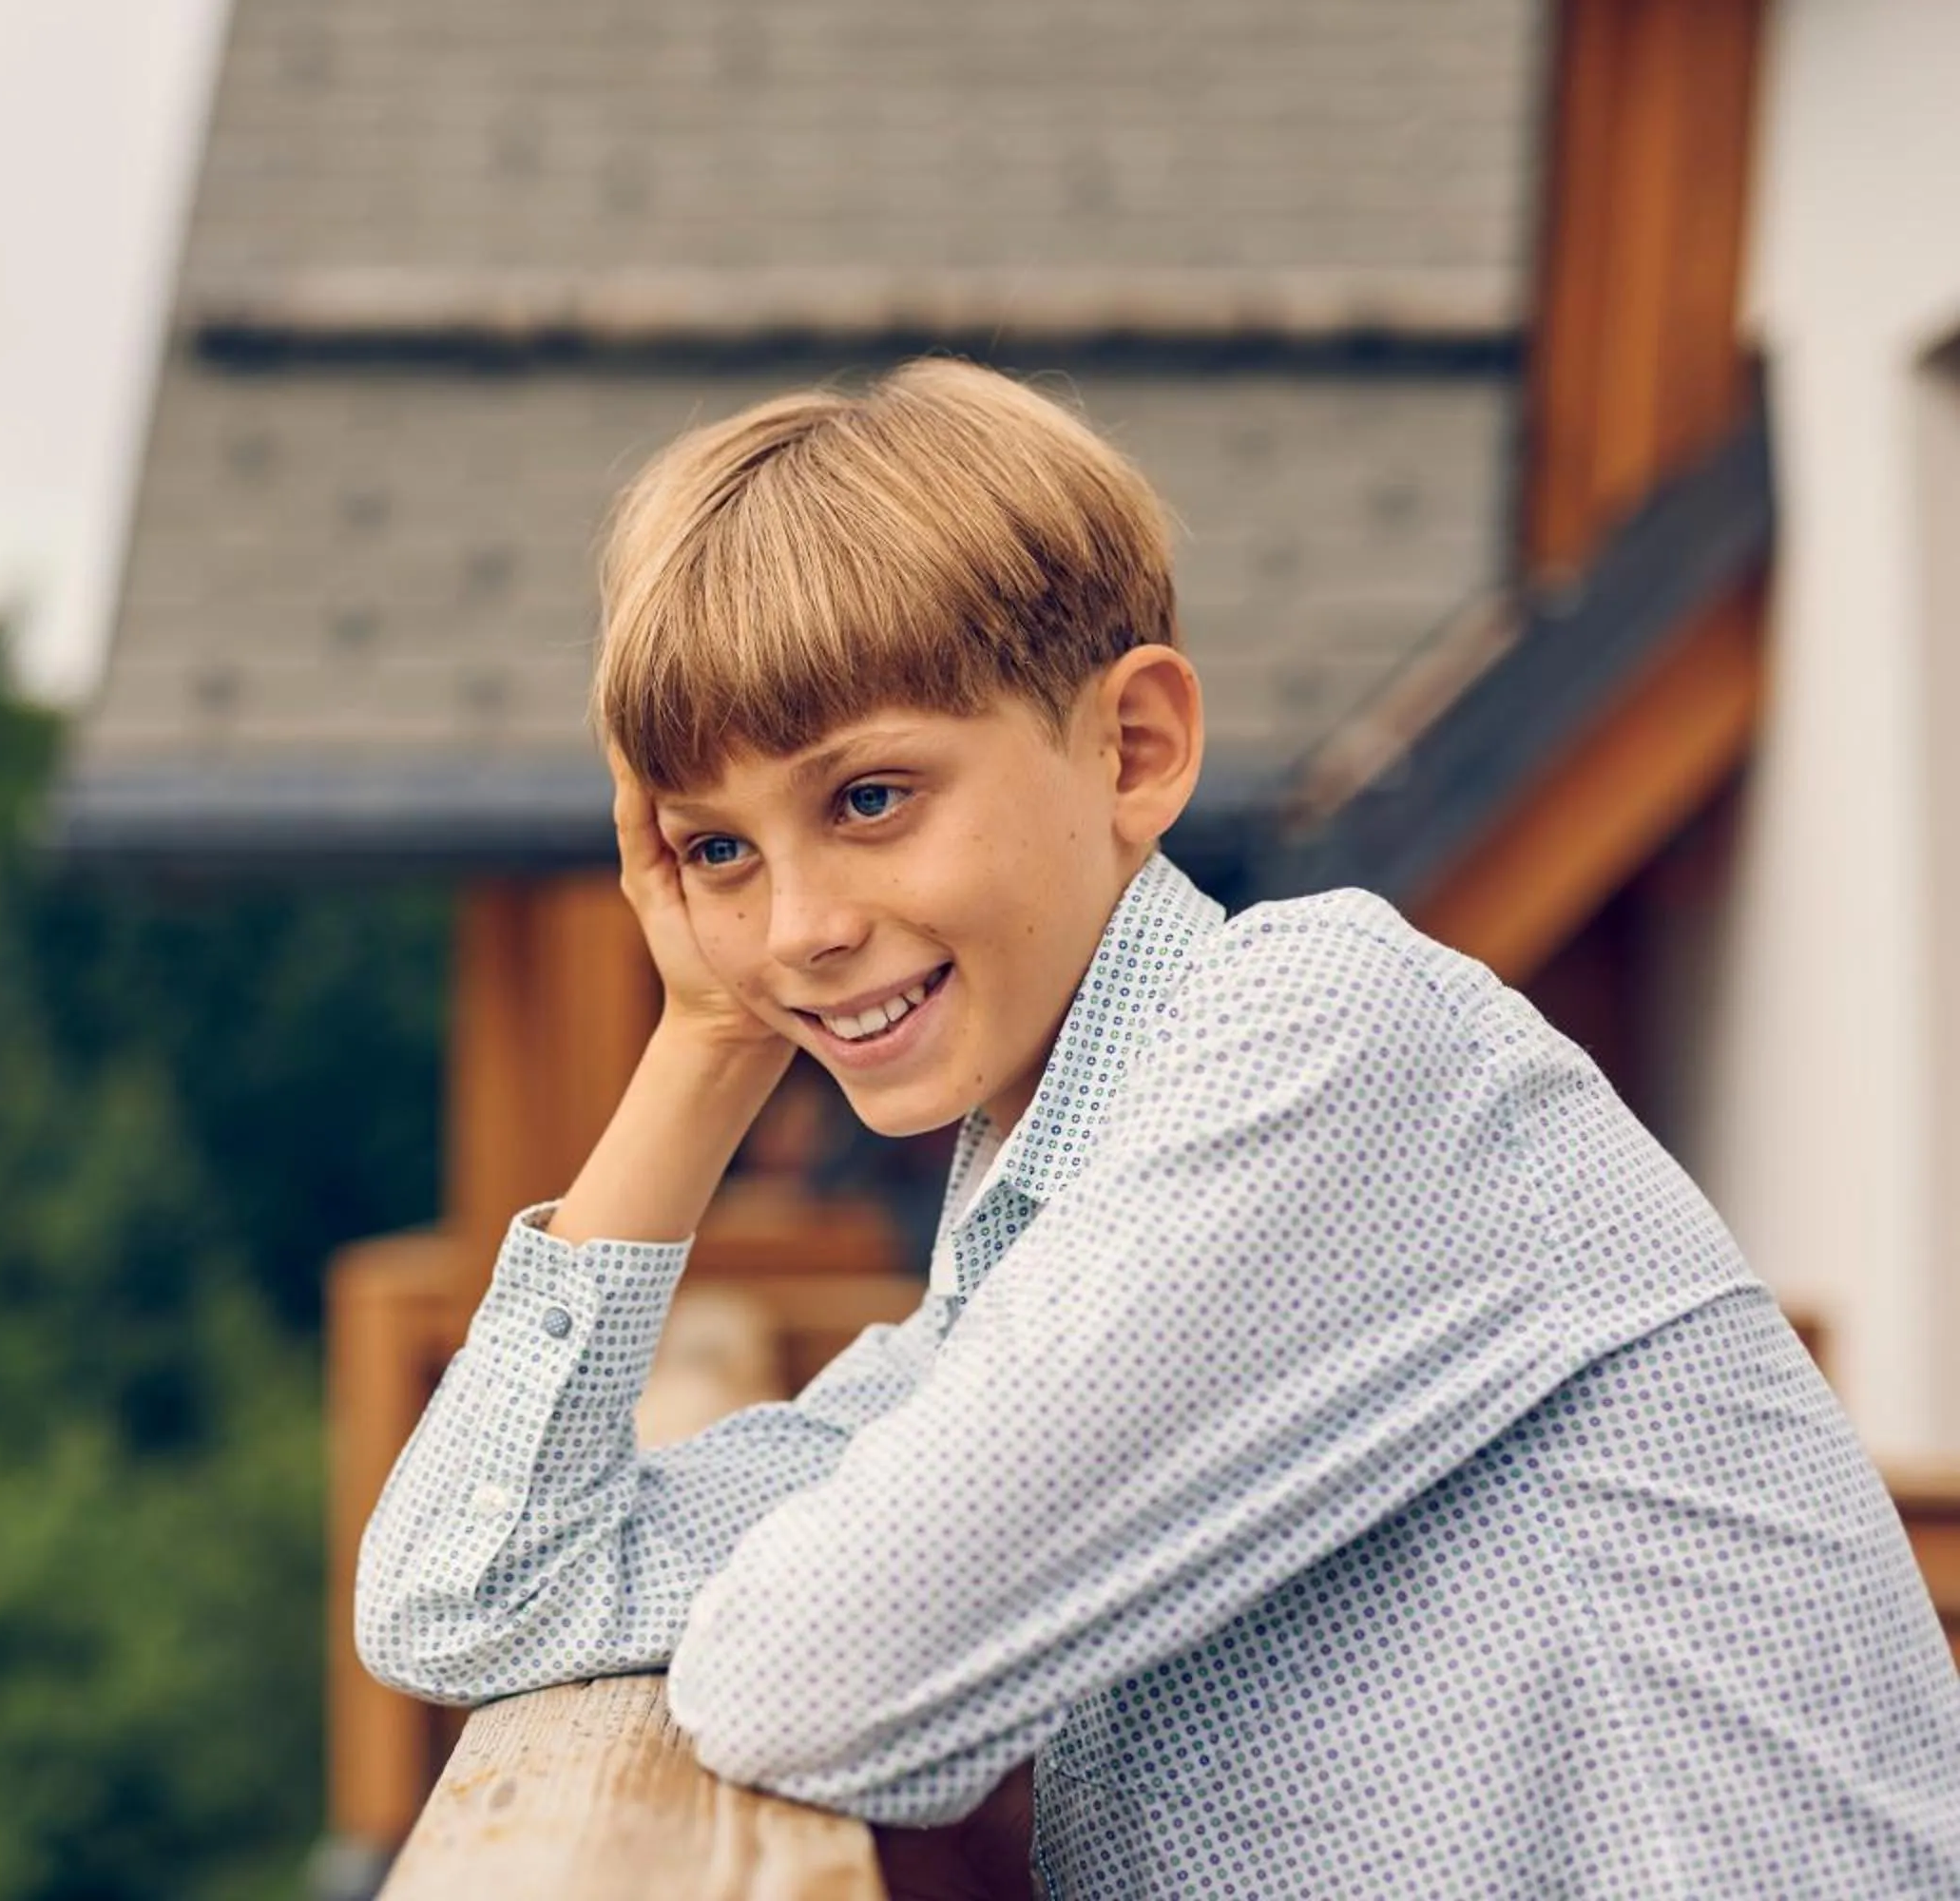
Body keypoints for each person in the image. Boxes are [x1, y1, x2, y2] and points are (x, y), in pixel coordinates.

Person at [354, 357, 1960, 1895]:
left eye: (867, 800)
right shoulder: (1033, 1246)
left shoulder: (1331, 1048)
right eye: (716, 852)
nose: (797, 929)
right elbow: (464, 1594)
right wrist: (703, 1038)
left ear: (1135, 750)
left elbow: (815, 1684)